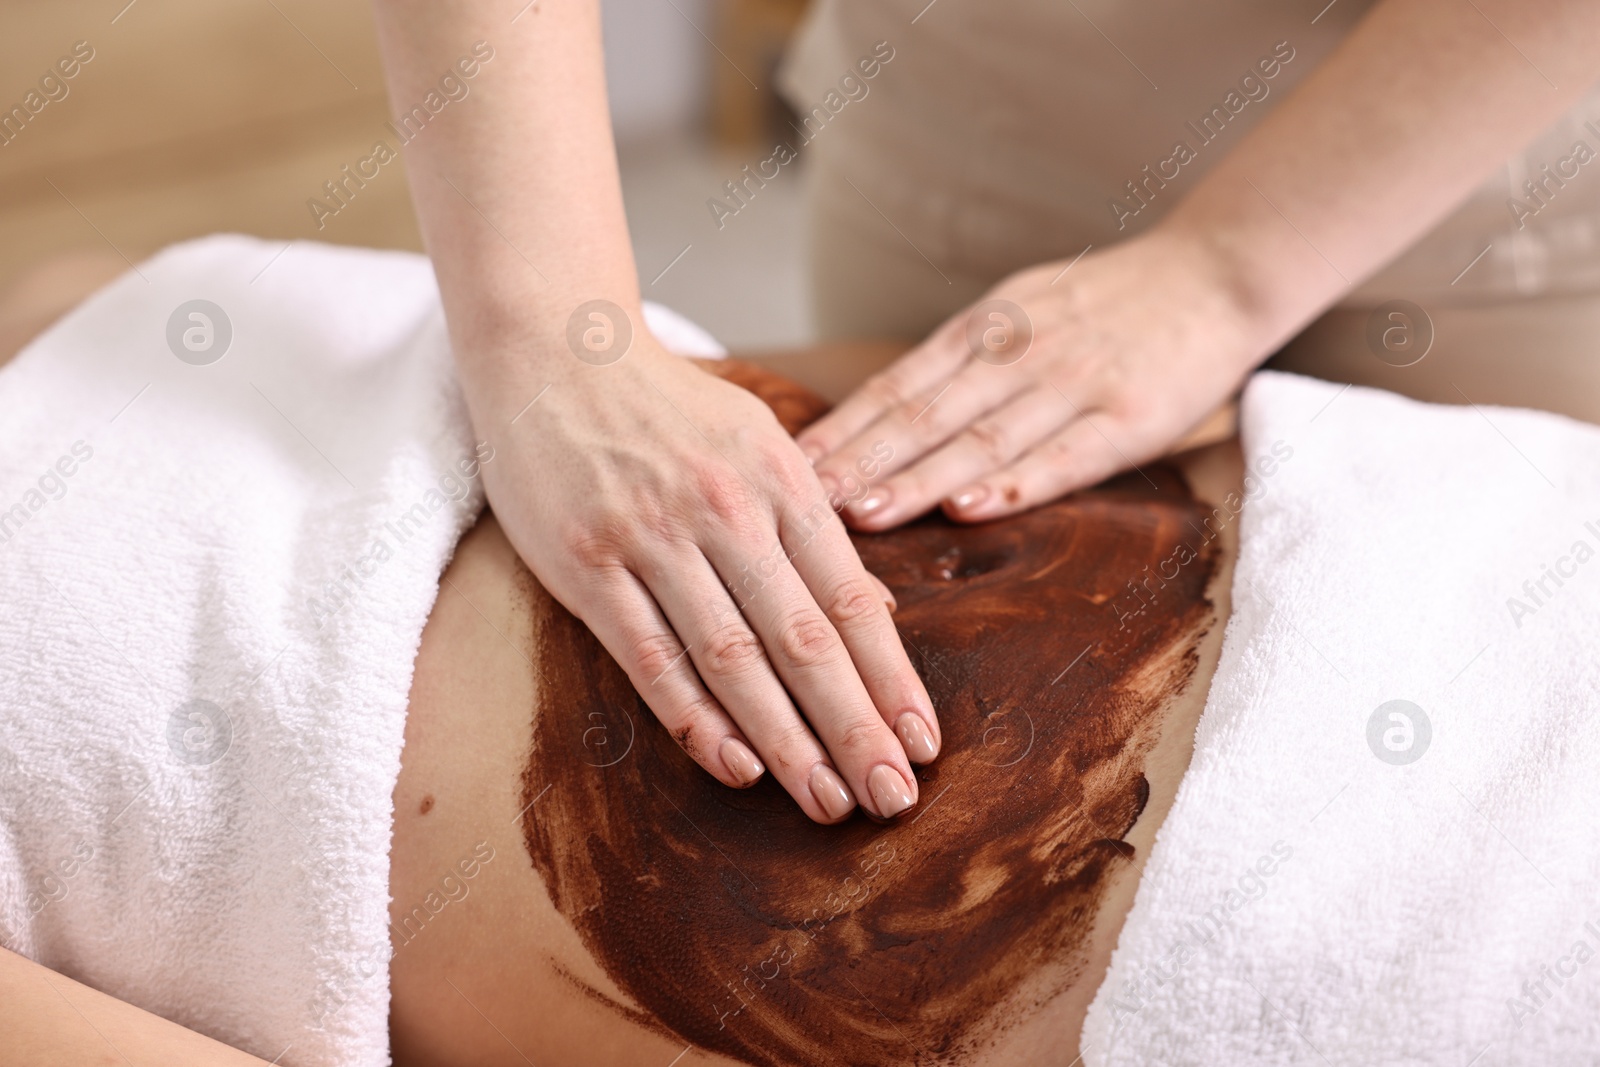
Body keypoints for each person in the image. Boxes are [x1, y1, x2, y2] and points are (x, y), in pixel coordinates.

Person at [368, 0, 1600, 821]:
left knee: (1481, 783)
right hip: (977, 117)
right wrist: (546, 340)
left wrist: (1224, 271)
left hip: (1487, 154)